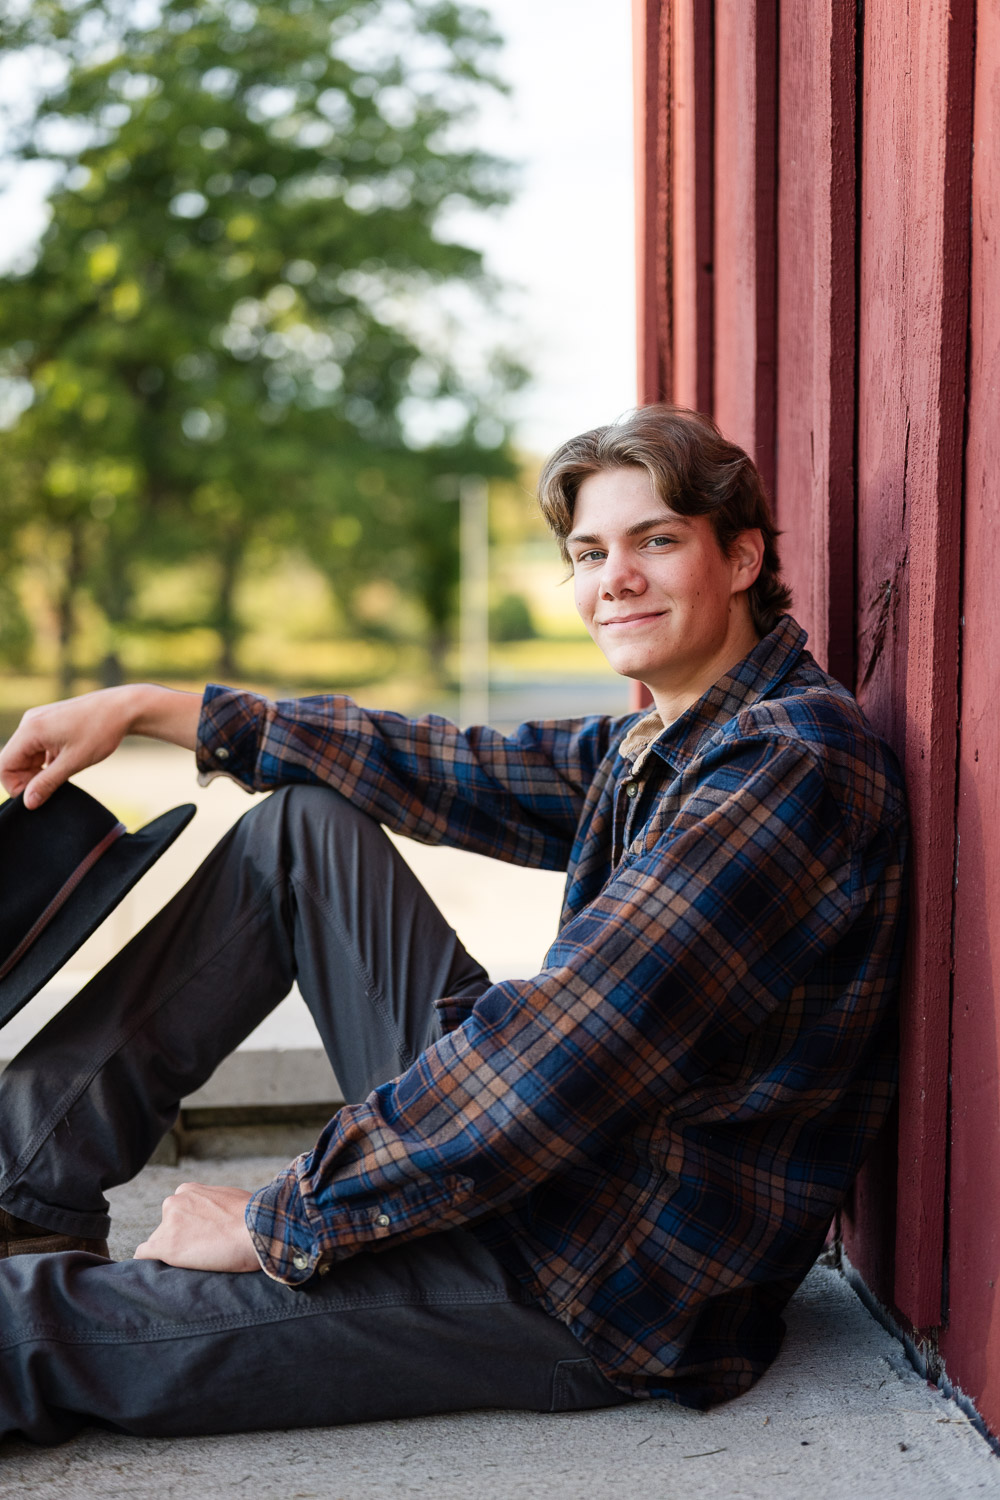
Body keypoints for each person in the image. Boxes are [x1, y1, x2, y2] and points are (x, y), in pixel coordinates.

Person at [0, 405, 907, 1443]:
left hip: (593, 1277)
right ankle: (18, 1187)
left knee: (33, 1330)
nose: (615, 578)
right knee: (303, 830)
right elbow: (456, 765)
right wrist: (156, 706)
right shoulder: (672, 735)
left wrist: (280, 1215)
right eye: (588, 551)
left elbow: (563, 1049)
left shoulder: (781, 768)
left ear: (740, 557)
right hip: (560, 1169)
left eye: (655, 540)